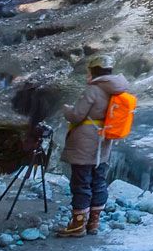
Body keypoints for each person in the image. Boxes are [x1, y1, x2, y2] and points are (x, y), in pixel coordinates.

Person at [55, 57, 130, 238]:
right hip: (103, 142)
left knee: (81, 182)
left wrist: (66, 109)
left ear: (94, 71)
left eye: (89, 71)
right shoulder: (116, 89)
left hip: (85, 143)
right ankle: (93, 223)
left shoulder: (93, 90)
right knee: (98, 180)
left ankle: (77, 225)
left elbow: (76, 116)